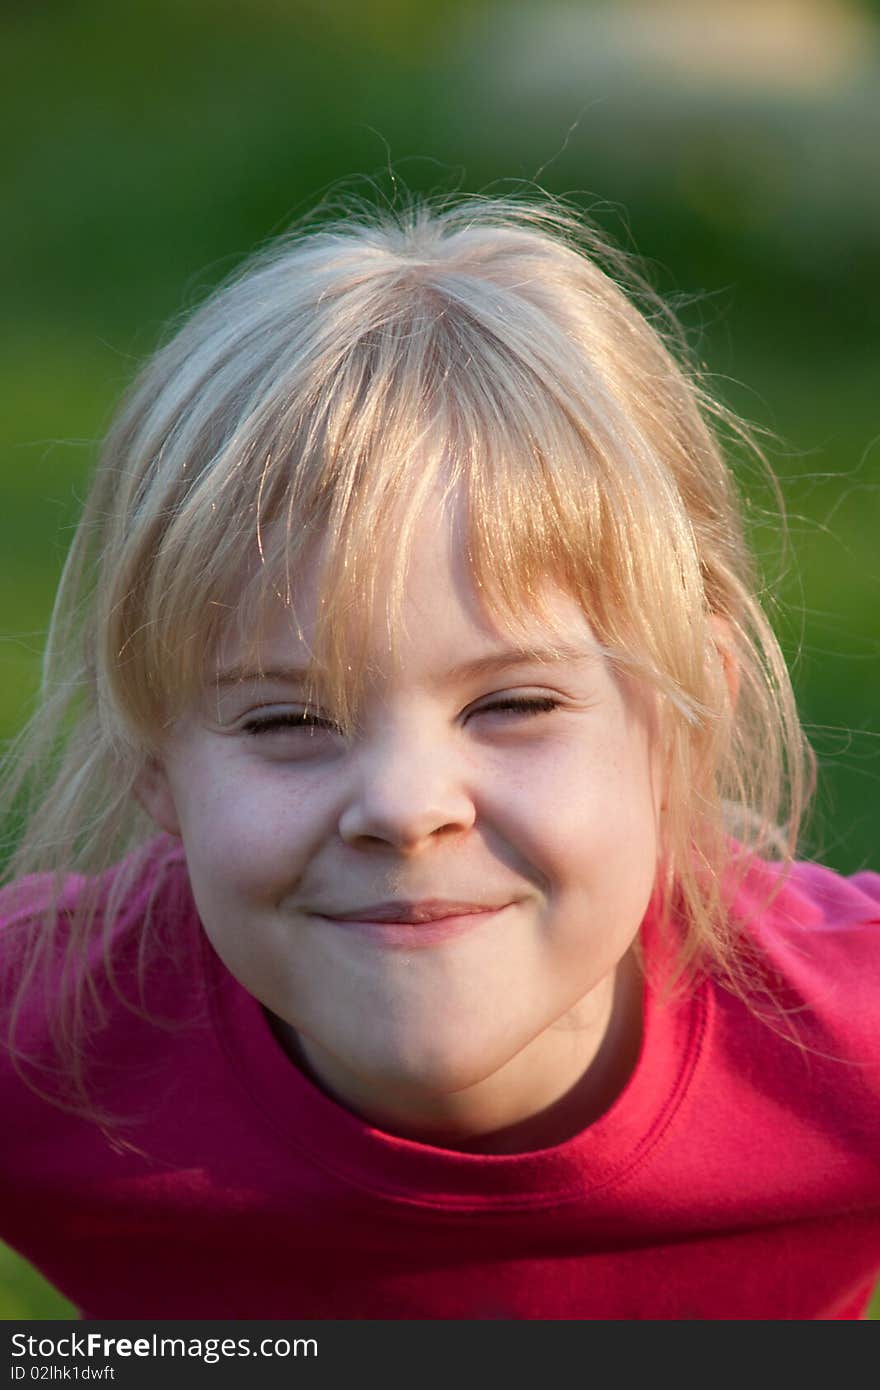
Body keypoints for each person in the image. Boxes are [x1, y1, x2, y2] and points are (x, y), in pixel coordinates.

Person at [1, 191, 877, 1321]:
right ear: (152, 761)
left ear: (687, 712)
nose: (407, 808)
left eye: (511, 702)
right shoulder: (50, 1043)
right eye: (285, 721)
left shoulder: (845, 1048)